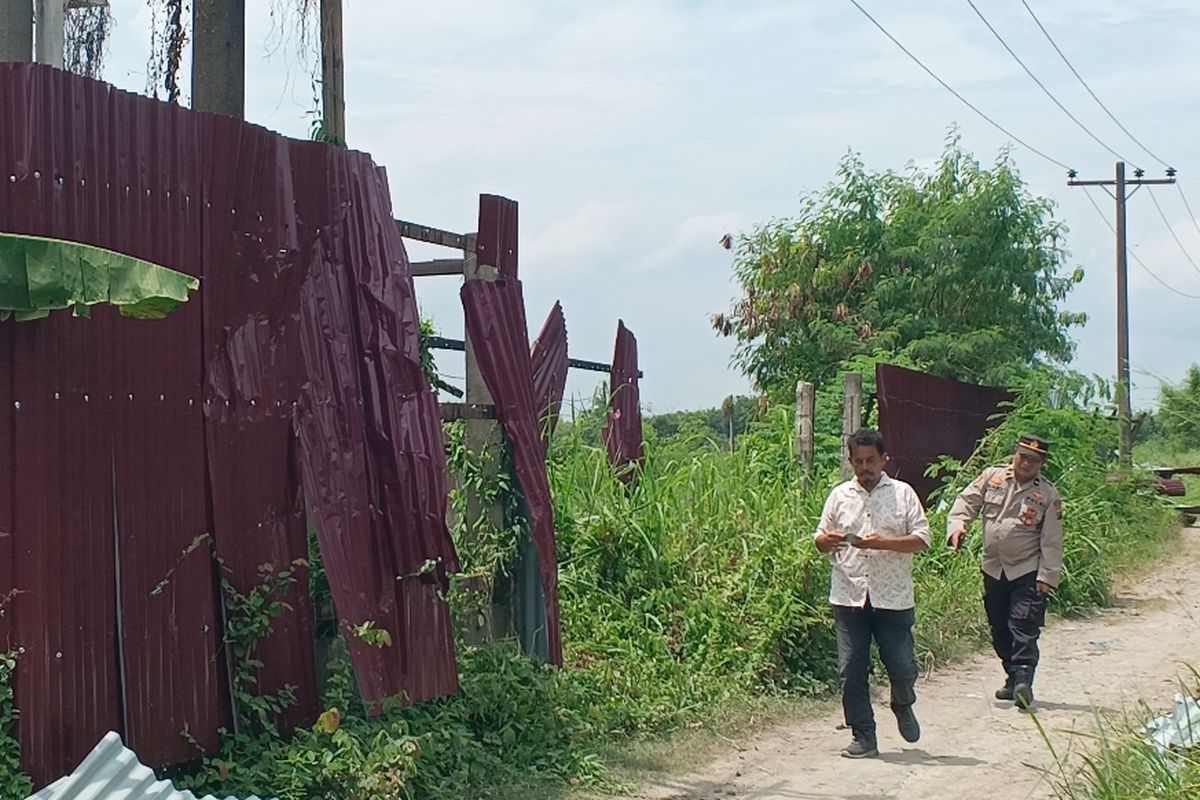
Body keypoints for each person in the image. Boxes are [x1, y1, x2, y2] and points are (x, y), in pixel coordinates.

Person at [814, 428, 932, 759]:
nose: (865, 468)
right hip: (849, 595)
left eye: (871, 461)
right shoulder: (839, 496)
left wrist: (879, 542)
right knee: (851, 667)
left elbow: (923, 539)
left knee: (902, 665)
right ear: (850, 461)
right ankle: (863, 735)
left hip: (892, 597)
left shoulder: (903, 494)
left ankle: (903, 703)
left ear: (884, 460)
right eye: (858, 462)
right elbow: (820, 539)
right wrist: (828, 540)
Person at [947, 434, 1063, 710]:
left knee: (1023, 625)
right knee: (999, 626)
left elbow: (1052, 539)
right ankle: (1012, 678)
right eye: (1023, 456)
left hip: (1027, 569)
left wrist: (1047, 576)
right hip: (994, 567)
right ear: (1015, 453)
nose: (1026, 463)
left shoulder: (1047, 494)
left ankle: (1024, 679)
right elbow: (966, 502)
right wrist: (957, 526)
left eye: (1033, 460)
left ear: (1042, 463)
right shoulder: (992, 477)